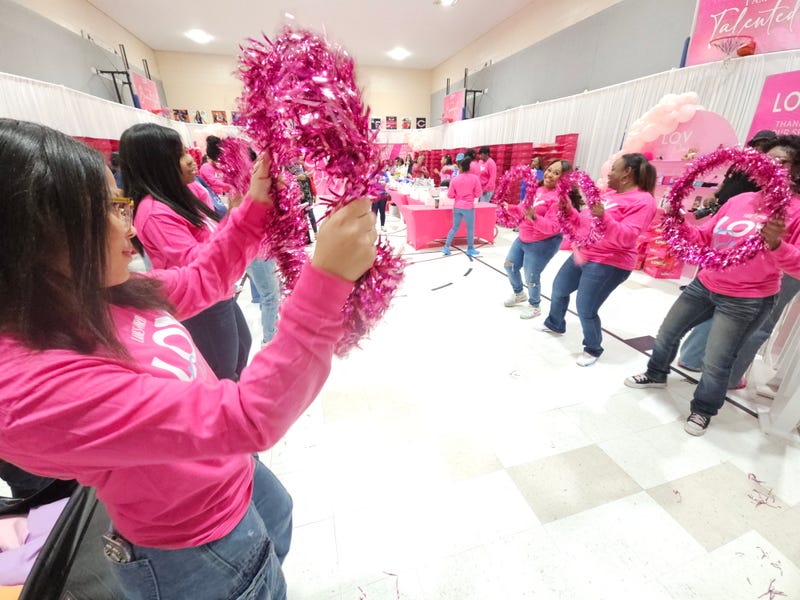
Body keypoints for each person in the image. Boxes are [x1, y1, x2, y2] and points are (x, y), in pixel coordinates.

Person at [0, 118, 376, 599]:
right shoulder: (30, 391)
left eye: (120, 202)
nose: (127, 224)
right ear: (29, 240)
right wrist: (325, 281)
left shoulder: (95, 294)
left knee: (276, 531)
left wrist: (256, 205)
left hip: (230, 473)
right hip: (194, 544)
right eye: (104, 209)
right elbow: (249, 415)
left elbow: (201, 280)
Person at [624, 135, 800, 436]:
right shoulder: (740, 200)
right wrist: (681, 226)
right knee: (667, 333)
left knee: (718, 360)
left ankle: (703, 409)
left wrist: (776, 245)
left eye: (780, 161)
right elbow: (706, 237)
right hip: (705, 283)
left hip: (745, 299)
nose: (770, 164)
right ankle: (655, 373)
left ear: (796, 171)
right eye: (766, 158)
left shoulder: (794, 211)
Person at [121, 123, 250, 381]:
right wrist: (237, 222)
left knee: (241, 351)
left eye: (187, 151)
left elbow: (215, 224)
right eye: (180, 155)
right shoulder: (155, 212)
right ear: (158, 164)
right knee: (222, 371)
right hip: (202, 304)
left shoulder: (186, 192)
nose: (192, 160)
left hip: (220, 293)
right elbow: (198, 265)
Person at [540, 153, 658, 367]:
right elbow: (586, 222)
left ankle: (593, 348)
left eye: (614, 169)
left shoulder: (644, 201)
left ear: (626, 174)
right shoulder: (610, 194)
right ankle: (555, 323)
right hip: (585, 252)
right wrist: (570, 212)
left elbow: (628, 236)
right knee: (559, 288)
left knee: (585, 307)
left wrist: (605, 216)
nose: (609, 173)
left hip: (610, 262)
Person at [503, 160, 581, 319]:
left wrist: (533, 217)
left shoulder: (560, 199)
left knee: (531, 276)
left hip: (542, 244)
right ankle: (519, 294)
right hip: (523, 237)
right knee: (509, 266)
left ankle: (535, 304)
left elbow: (553, 227)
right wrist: (509, 207)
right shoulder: (538, 189)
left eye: (556, 173)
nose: (550, 174)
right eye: (549, 170)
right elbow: (522, 209)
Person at [693, 130, 776, 219]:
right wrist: (714, 195)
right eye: (756, 144)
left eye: (764, 145)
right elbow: (726, 181)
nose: (758, 148)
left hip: (743, 213)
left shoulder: (768, 170)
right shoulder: (740, 162)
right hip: (722, 208)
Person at [442, 156, 482, 257]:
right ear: (469, 167)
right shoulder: (475, 178)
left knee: (454, 227)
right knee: (470, 228)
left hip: (457, 206)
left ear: (460, 167)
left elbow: (450, 195)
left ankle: (446, 247)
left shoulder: (455, 179)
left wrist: (458, 195)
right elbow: (478, 194)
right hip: (468, 207)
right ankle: (470, 248)